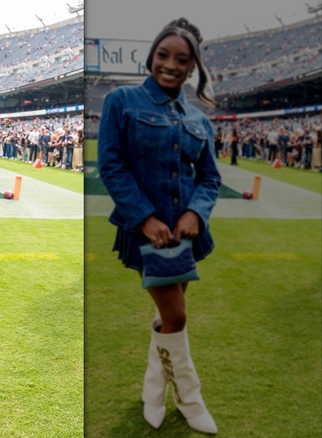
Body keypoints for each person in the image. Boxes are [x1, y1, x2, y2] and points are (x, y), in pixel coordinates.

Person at [97, 17, 220, 435]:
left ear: (192, 68)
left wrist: (195, 213)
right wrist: (146, 219)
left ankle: (153, 393)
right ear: (151, 56)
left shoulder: (199, 118)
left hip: (185, 233)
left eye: (181, 59)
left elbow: (210, 178)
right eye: (163, 55)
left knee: (170, 319)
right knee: (177, 316)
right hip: (146, 232)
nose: (170, 64)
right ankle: (190, 399)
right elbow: (111, 166)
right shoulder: (122, 100)